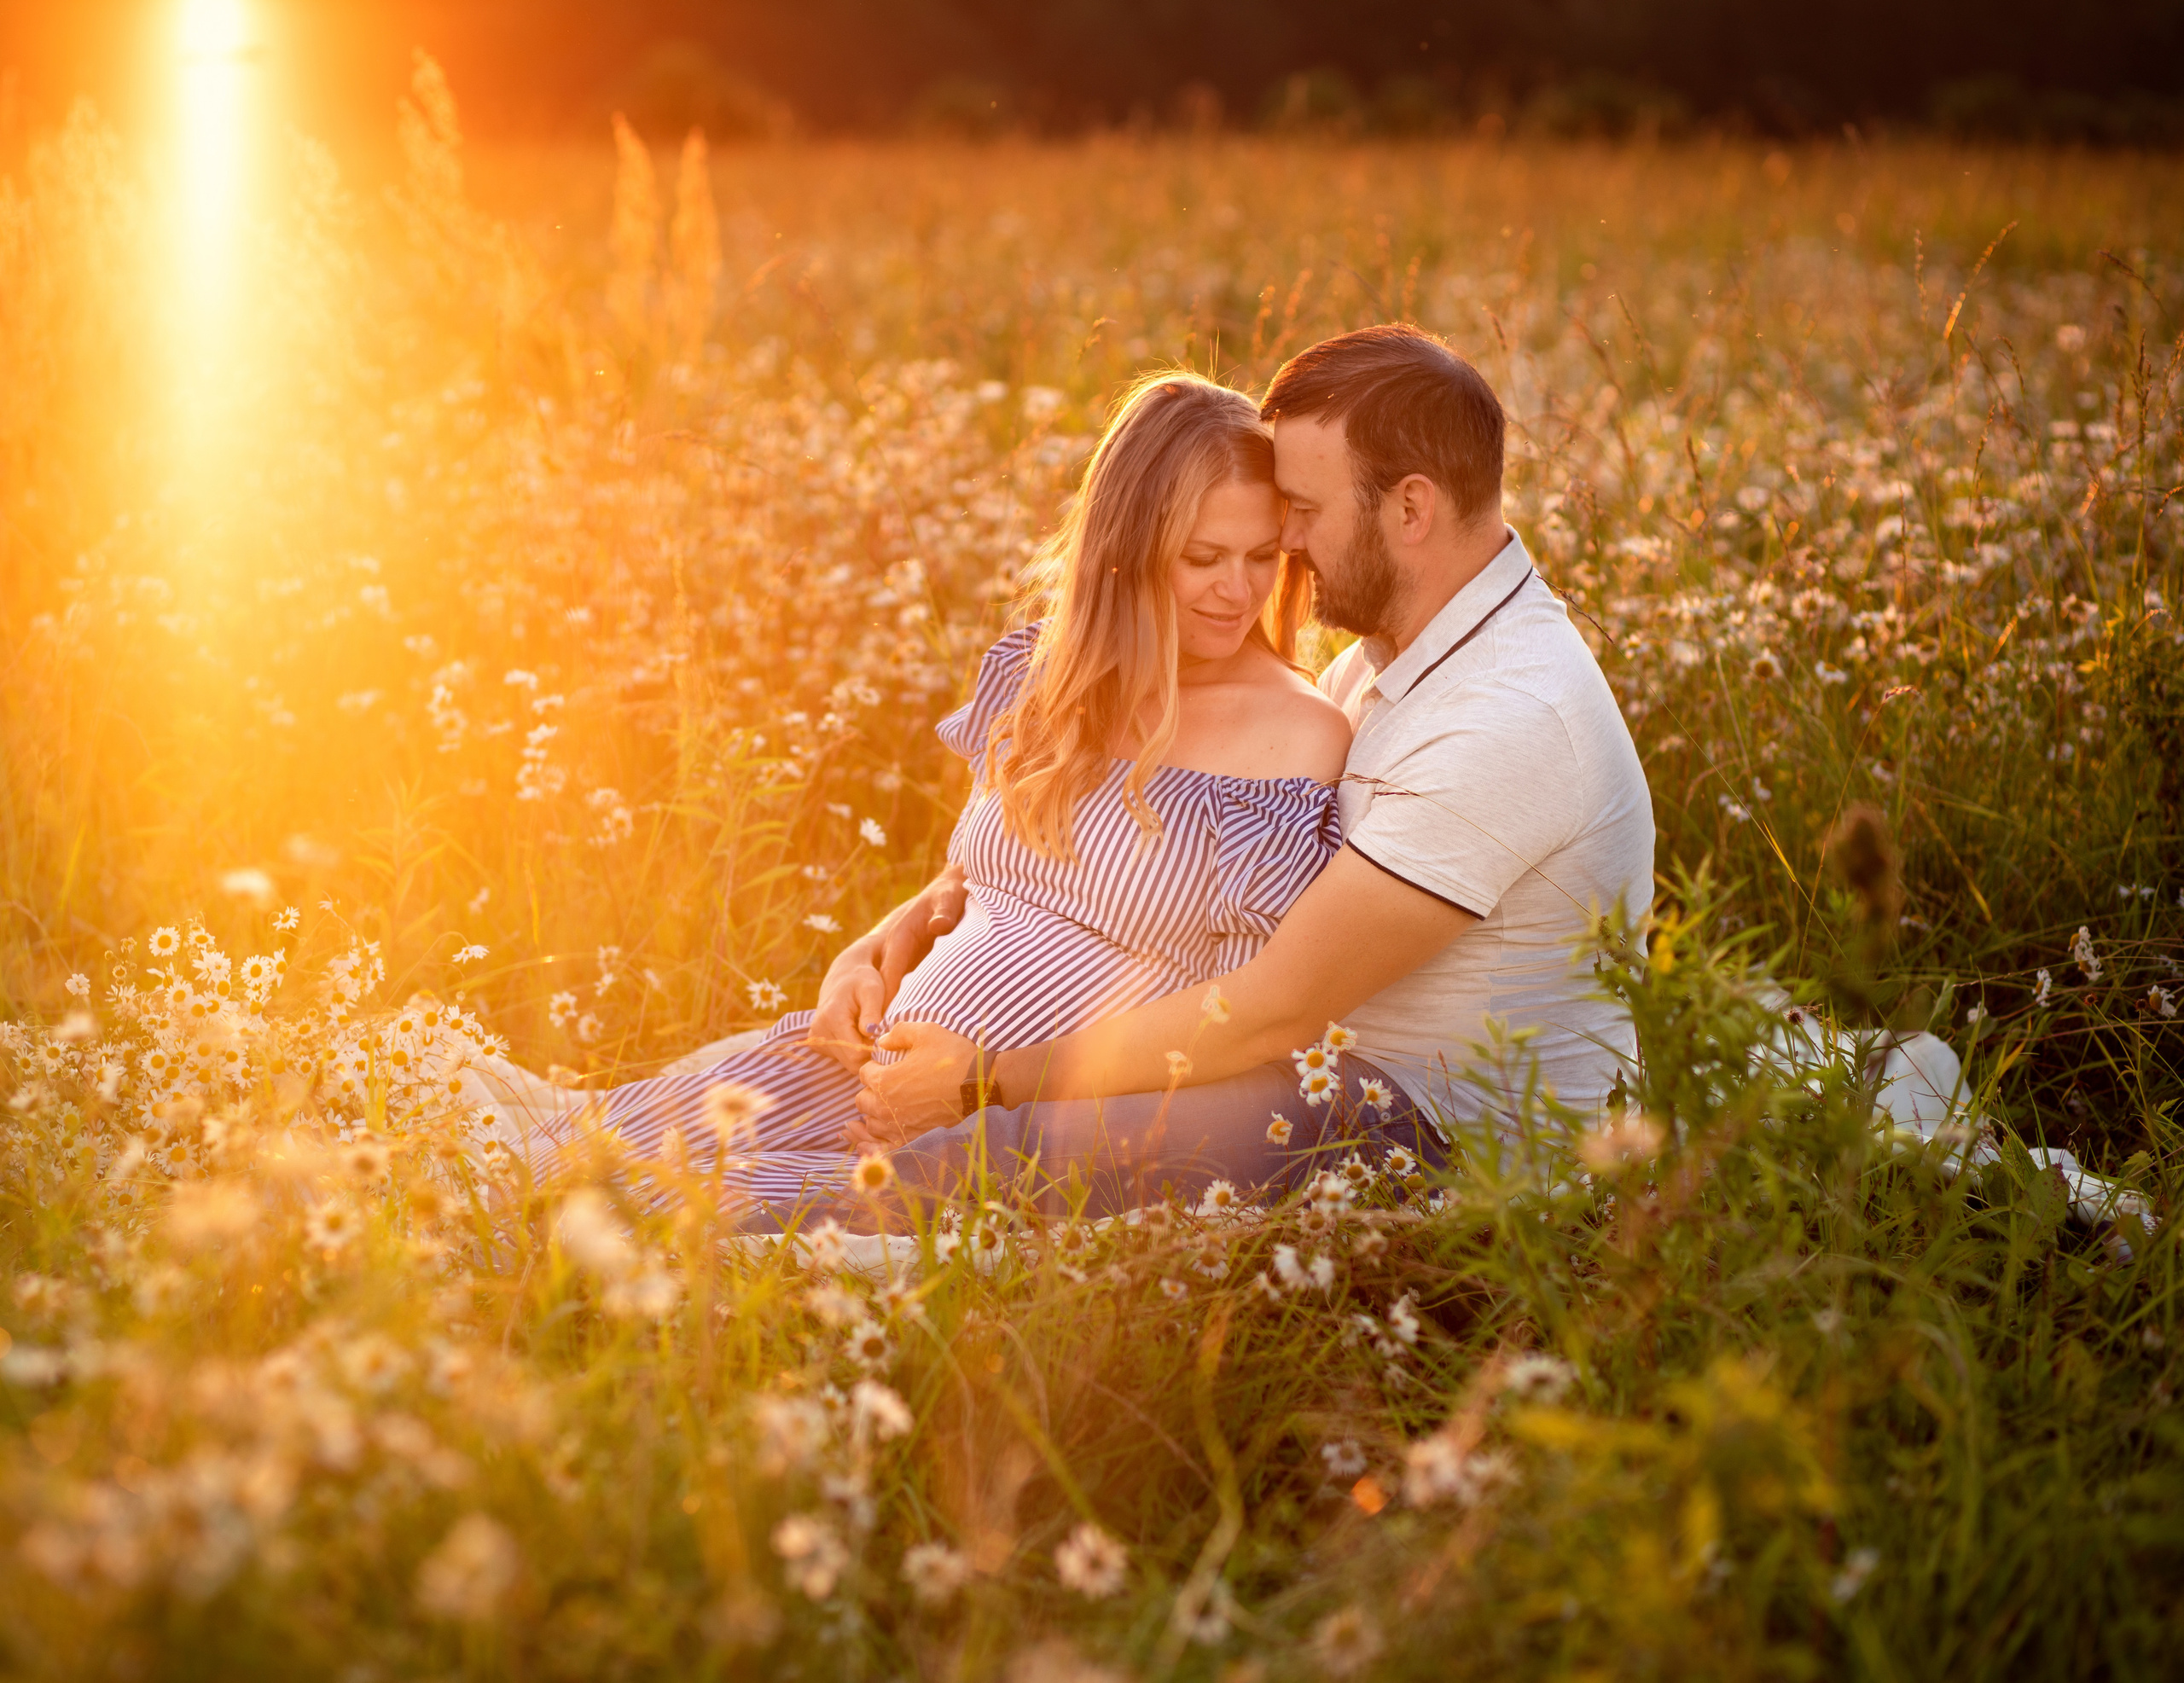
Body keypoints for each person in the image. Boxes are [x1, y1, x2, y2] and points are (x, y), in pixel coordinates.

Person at [507, 369, 1402, 1208]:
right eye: (1203, 557)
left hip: (995, 1132)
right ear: (1126, 550)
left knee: (658, 1225)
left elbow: (1239, 1014)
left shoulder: (1295, 736)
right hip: (856, 1074)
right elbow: (975, 880)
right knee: (542, 1180)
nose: (1238, 589)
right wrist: (865, 954)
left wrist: (980, 1083)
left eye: (1261, 556)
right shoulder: (1047, 678)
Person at [844, 324, 1655, 1215]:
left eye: (1302, 511)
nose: (1287, 544)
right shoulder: (1394, 658)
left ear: (1410, 510)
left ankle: (767, 1257)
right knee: (951, 1149)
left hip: (1435, 1131)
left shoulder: (1512, 713)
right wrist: (916, 920)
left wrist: (988, 1081)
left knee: (985, 1162)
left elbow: (1277, 1006)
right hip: (1321, 1077)